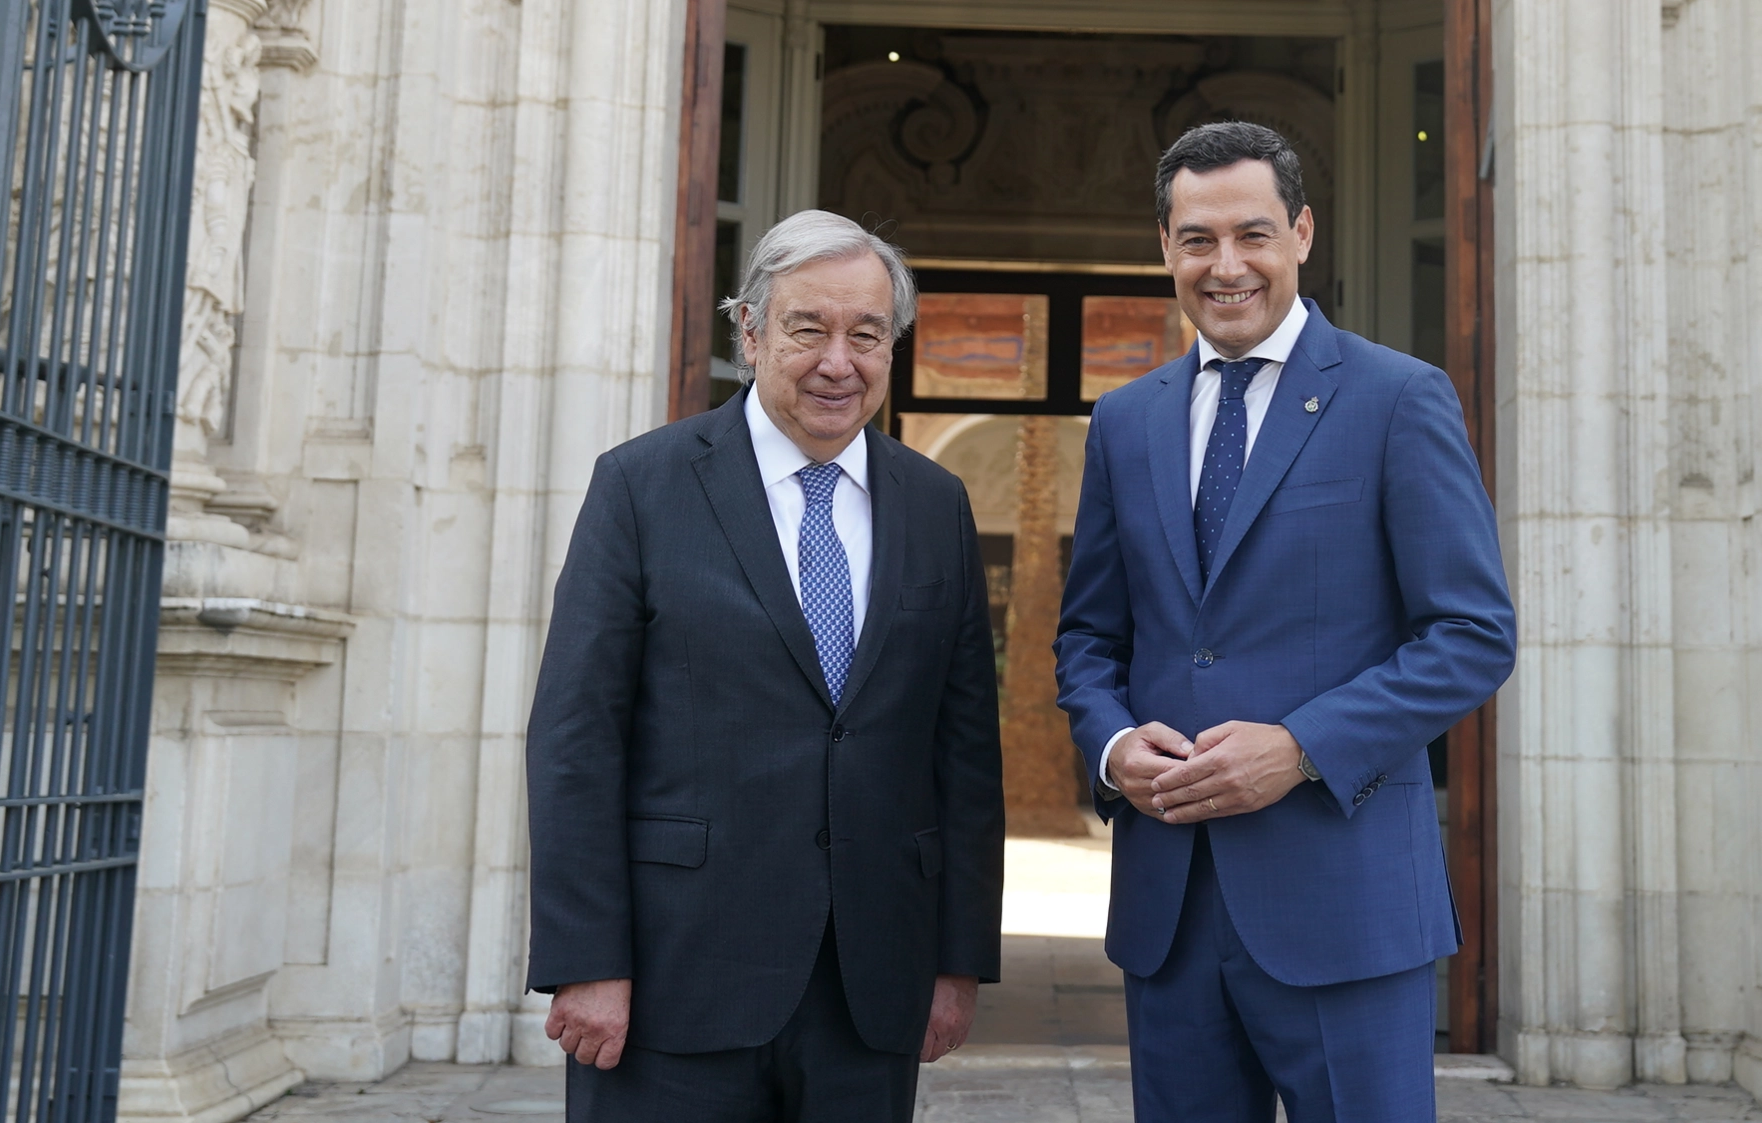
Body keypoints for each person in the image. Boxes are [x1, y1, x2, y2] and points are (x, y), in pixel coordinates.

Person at [1057, 121, 1516, 1120]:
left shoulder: (1399, 398)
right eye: (1197, 239)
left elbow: (1473, 635)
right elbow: (1090, 638)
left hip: (1344, 904)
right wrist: (1113, 745)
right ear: (1165, 248)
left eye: (1253, 235)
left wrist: (1301, 748)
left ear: (1303, 234)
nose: (1226, 266)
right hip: (1169, 913)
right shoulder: (1125, 421)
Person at [527, 211, 1005, 1121]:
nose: (839, 360)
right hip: (673, 982)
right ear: (748, 331)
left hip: (870, 991)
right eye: (808, 329)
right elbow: (575, 736)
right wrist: (587, 959)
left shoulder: (936, 504)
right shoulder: (641, 485)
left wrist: (957, 957)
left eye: (866, 334)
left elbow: (965, 751)